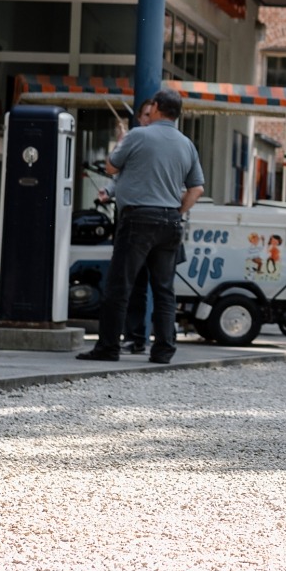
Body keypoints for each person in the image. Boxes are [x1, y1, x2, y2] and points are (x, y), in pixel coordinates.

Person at [78, 87, 205, 364]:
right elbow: (197, 188)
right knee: (164, 289)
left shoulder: (138, 135)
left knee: (119, 286)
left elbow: (111, 167)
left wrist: (122, 144)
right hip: (170, 221)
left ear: (157, 107)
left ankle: (108, 347)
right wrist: (176, 211)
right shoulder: (186, 144)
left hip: (137, 220)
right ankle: (163, 351)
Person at [121, 98, 156, 354]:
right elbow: (121, 175)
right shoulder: (135, 141)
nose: (148, 119)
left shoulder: (140, 142)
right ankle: (137, 336)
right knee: (138, 283)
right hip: (145, 220)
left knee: (156, 285)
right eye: (145, 115)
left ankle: (155, 337)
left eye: (151, 114)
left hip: (147, 221)